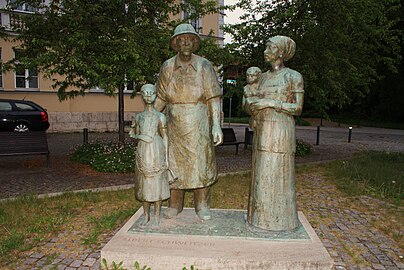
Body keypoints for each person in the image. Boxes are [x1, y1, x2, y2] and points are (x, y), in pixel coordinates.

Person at [155, 23, 223, 221]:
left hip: (199, 120)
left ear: (195, 43)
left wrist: (216, 125)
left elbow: (213, 97)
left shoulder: (204, 65)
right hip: (174, 122)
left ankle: (202, 205)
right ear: (176, 43)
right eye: (181, 39)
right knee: (175, 164)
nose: (185, 42)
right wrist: (149, 117)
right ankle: (174, 204)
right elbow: (160, 97)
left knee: (201, 164)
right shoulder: (167, 66)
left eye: (190, 39)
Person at [244, 36, 304, 231]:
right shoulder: (261, 77)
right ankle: (260, 219)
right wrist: (249, 105)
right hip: (262, 131)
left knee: (278, 173)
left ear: (280, 52)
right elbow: (250, 103)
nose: (265, 51)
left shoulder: (293, 77)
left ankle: (281, 220)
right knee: (261, 174)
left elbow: (297, 108)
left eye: (269, 48)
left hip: (281, 131)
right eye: (266, 47)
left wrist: (270, 103)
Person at [130, 84, 170, 227]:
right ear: (141, 95)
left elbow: (165, 136)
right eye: (145, 93)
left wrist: (166, 156)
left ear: (156, 95)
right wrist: (140, 136)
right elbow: (133, 133)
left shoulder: (160, 116)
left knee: (157, 184)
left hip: (156, 150)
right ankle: (146, 216)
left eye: (151, 93)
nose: (148, 96)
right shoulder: (139, 116)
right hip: (143, 151)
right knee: (144, 184)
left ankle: (157, 216)